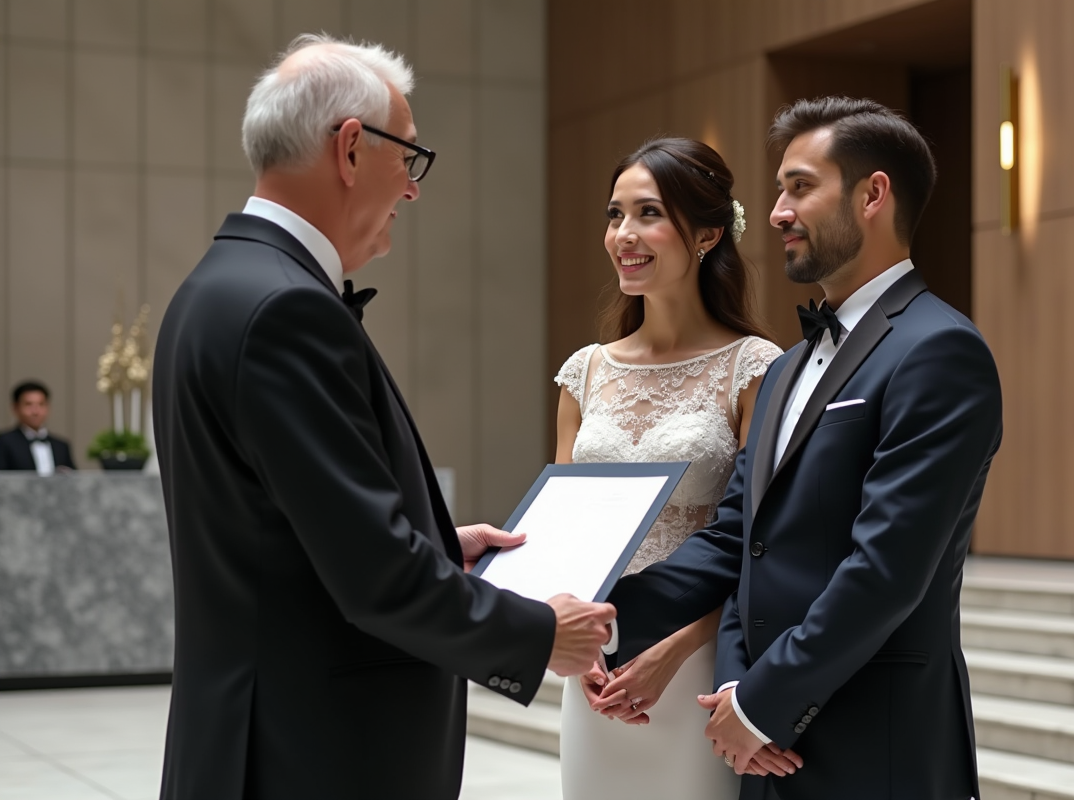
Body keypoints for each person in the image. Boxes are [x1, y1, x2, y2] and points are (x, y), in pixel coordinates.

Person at [152, 34, 615, 800]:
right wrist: (537, 634)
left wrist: (437, 543)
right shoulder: (286, 309)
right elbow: (376, 580)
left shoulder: (216, 286)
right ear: (350, 149)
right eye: (409, 158)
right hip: (313, 754)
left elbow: (283, 531)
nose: (412, 189)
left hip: (254, 732)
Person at [602, 97, 1003, 800]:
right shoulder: (785, 369)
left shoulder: (939, 350)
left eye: (799, 187)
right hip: (758, 748)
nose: (778, 212)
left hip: (876, 744)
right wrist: (597, 616)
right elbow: (739, 542)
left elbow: (886, 568)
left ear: (873, 194)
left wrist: (762, 703)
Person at [554, 137, 784, 800]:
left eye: (648, 213)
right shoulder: (583, 373)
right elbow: (568, 536)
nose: (624, 234)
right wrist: (582, 647)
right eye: (614, 214)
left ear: (709, 233)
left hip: (695, 668)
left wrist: (671, 652)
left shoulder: (755, 369)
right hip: (595, 669)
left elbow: (760, 545)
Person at [0, 381, 76, 474]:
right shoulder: (4, 442)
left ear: (48, 407)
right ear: (15, 408)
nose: (35, 411)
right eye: (28, 404)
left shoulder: (61, 446)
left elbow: (74, 480)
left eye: (41, 404)